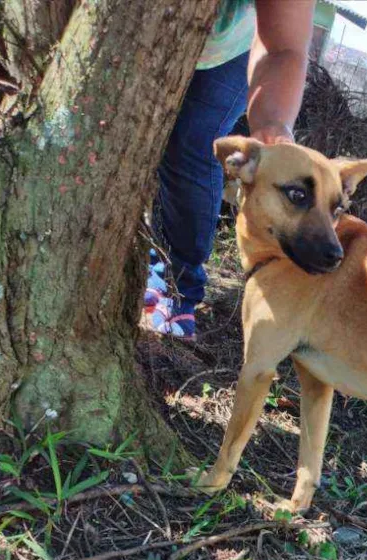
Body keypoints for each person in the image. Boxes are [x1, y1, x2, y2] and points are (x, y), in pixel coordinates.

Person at [144, 0, 316, 340]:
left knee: (192, 141)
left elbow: (282, 48)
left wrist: (272, 125)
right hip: (133, 36)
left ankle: (178, 284)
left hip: (229, 49)